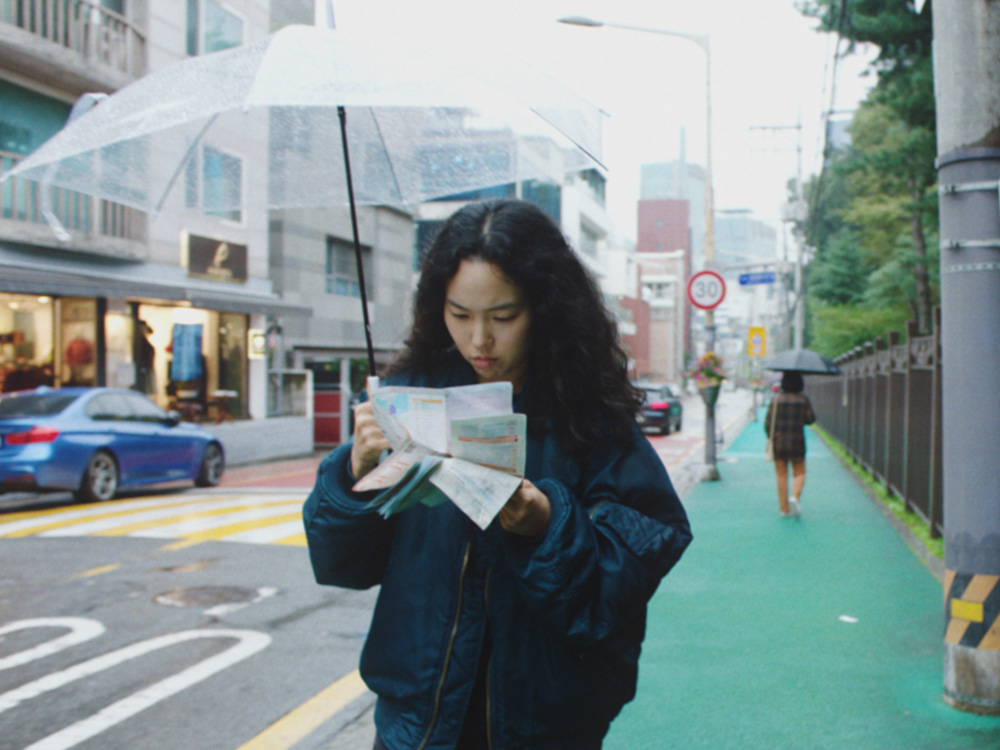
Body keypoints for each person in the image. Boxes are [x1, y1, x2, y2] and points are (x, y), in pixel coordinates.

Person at [303, 199, 692, 750]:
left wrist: (547, 525)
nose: (479, 340)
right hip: (418, 724)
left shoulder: (590, 418)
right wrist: (350, 475)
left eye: (503, 317)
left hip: (546, 726)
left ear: (544, 308)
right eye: (459, 314)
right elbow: (342, 564)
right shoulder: (412, 395)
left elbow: (638, 560)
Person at [764, 370, 816, 518]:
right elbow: (811, 419)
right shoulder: (802, 400)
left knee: (781, 475)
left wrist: (772, 437)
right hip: (797, 442)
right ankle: (794, 496)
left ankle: (784, 509)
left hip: (779, 443)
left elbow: (768, 424)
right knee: (800, 472)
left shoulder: (776, 399)